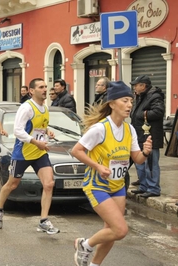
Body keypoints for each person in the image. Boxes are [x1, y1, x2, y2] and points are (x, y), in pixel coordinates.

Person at [70, 81, 152, 266]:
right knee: (120, 229)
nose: (130, 105)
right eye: (125, 100)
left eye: (131, 100)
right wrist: (97, 166)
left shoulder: (129, 129)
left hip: (117, 186)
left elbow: (137, 159)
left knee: (111, 230)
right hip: (97, 185)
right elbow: (76, 151)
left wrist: (146, 151)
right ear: (112, 103)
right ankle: (85, 244)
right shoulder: (100, 129)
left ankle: (94, 264)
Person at [0, 78, 59, 234]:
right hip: (23, 153)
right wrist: (36, 142)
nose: (45, 90)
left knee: (49, 184)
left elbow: (39, 124)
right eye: (41, 87)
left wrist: (47, 131)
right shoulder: (26, 108)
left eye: (45, 87)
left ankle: (43, 220)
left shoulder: (45, 107)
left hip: (39, 153)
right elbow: (18, 131)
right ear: (31, 91)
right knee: (12, 184)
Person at [130, 75, 164, 198]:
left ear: (143, 86)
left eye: (136, 85)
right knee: (140, 163)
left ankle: (153, 188)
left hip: (150, 136)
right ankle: (143, 186)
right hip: (139, 135)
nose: (134, 87)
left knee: (151, 163)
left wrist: (142, 115)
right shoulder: (139, 97)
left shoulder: (154, 96)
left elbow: (159, 112)